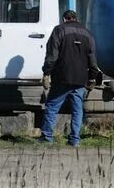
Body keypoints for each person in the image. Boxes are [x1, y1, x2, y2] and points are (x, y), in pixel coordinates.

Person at [40, 9, 103, 146]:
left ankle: (47, 137)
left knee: (52, 106)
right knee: (77, 109)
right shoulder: (88, 33)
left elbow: (52, 55)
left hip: (62, 77)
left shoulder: (59, 30)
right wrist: (92, 77)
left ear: (64, 19)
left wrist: (46, 72)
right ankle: (75, 139)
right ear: (76, 18)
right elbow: (92, 59)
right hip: (80, 78)